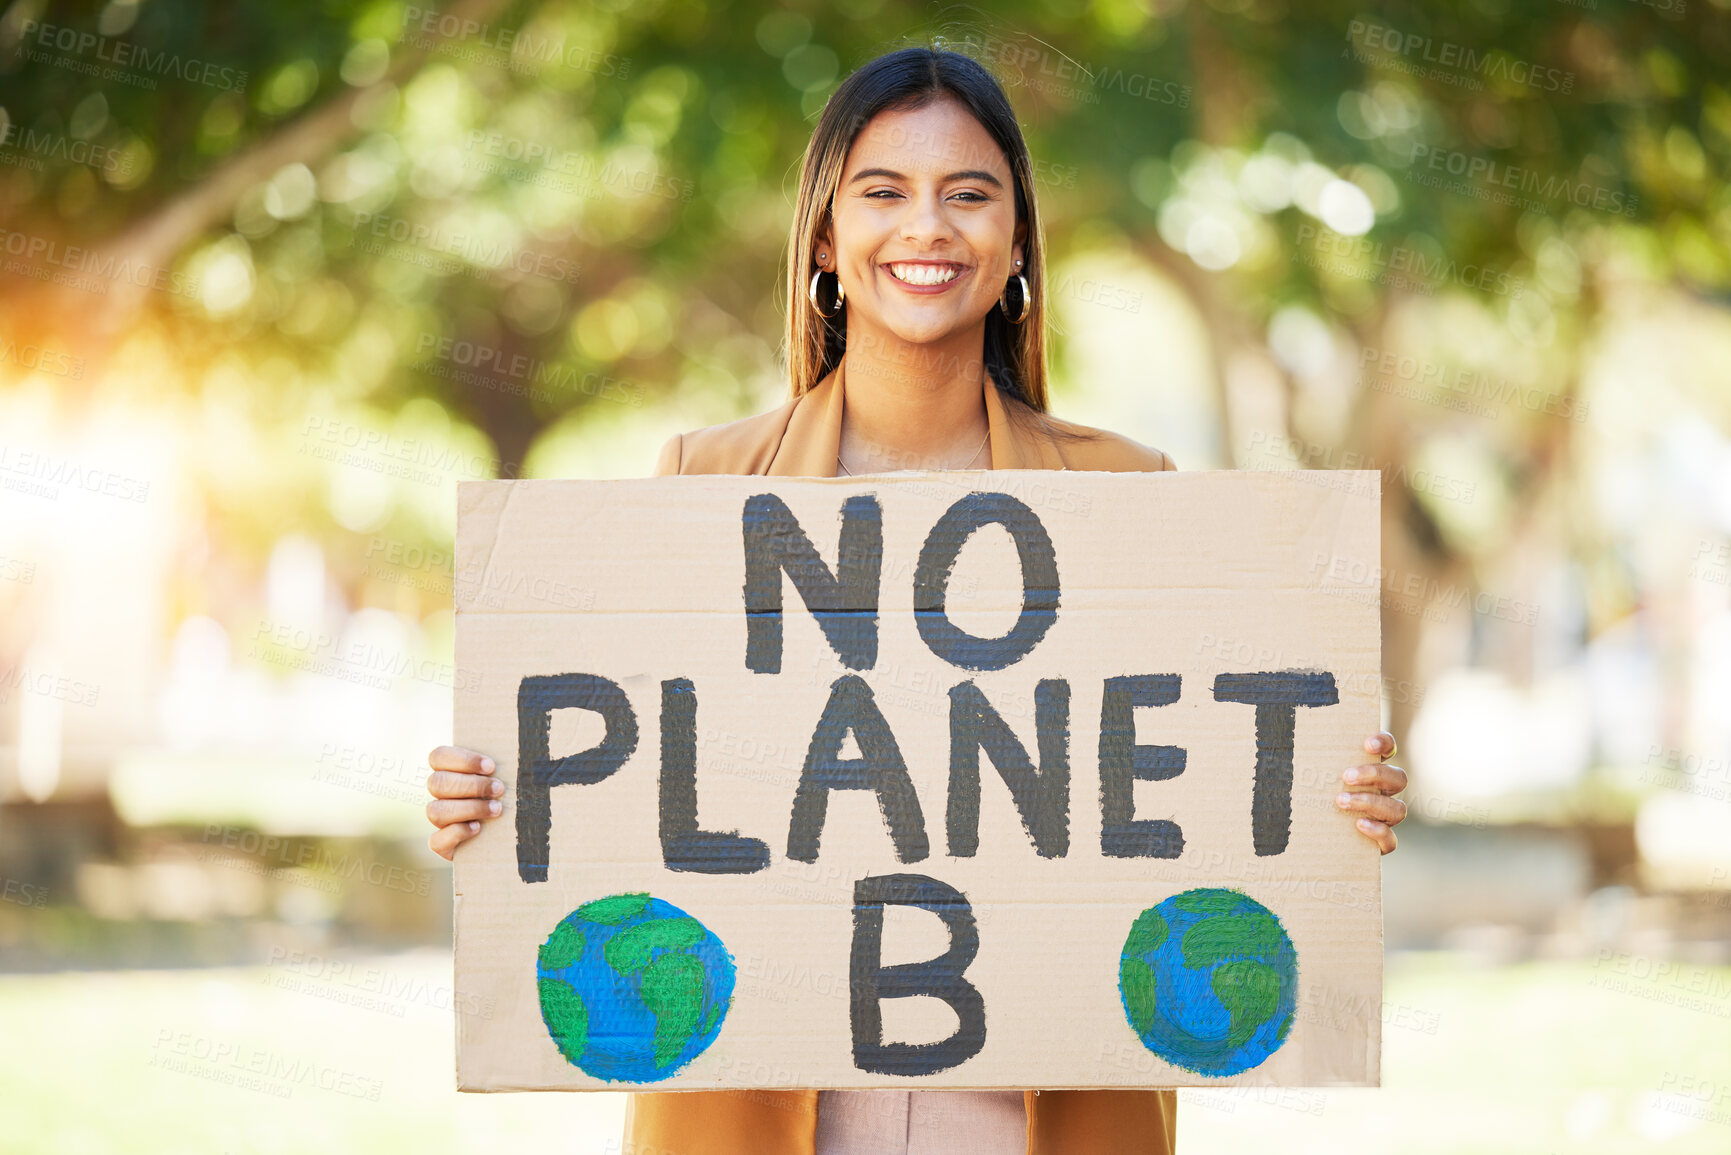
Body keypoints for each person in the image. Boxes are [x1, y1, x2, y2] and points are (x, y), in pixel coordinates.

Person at [425, 46, 1409, 1155]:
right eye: (883, 193)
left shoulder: (1128, 495)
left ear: (1019, 242)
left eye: (969, 195)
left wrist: (1333, 796)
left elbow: (1216, 787)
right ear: (827, 240)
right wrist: (493, 798)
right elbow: (632, 790)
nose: (927, 228)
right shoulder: (705, 487)